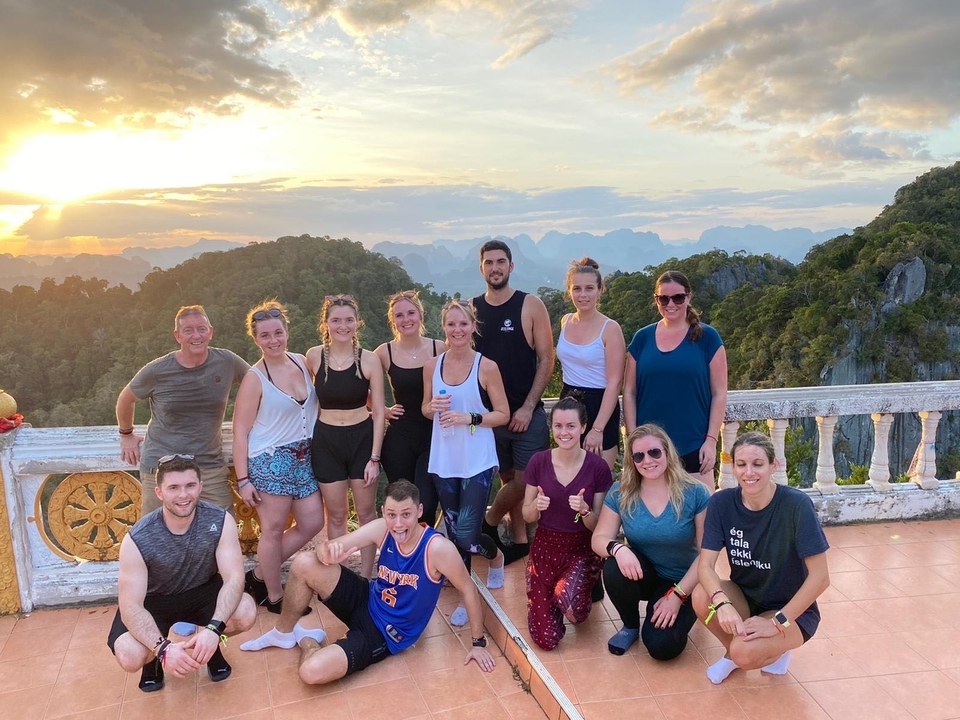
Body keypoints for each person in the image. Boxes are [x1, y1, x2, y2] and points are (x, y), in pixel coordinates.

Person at [238, 480, 497, 684]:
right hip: (368, 598)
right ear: (384, 512)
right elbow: (335, 546)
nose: (398, 524)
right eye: (392, 514)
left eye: (406, 515)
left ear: (419, 511)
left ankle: (307, 639)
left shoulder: (438, 549)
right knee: (305, 562)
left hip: (386, 632)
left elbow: (468, 590)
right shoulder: (382, 528)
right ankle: (283, 633)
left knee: (311, 672)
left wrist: (478, 643)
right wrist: (326, 552)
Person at [107, 455, 257, 692]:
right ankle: (154, 660)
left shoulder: (220, 520)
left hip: (203, 591)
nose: (183, 495)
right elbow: (130, 606)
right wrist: (163, 649)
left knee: (246, 612)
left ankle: (209, 645)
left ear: (200, 486)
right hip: (154, 601)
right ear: (159, 492)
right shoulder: (138, 538)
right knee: (129, 655)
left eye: (190, 486)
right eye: (173, 488)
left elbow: (234, 578)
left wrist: (214, 629)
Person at [693, 431, 830, 684]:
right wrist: (722, 603)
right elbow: (706, 566)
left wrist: (778, 622)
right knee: (702, 594)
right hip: (746, 598)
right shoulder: (722, 503)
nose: (749, 473)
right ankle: (734, 653)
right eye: (741, 464)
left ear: (773, 466)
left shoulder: (796, 505)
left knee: (744, 652)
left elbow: (821, 578)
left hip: (791, 611)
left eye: (758, 464)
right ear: (732, 467)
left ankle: (769, 648)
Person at [232, 301, 324, 613]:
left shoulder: (302, 362)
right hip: (270, 461)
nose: (273, 340)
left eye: (278, 333)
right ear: (256, 339)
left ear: (287, 332)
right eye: (265, 335)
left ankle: (258, 574)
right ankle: (274, 596)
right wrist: (243, 480)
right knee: (271, 530)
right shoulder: (255, 377)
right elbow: (241, 430)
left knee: (312, 522)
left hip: (305, 457)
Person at [591, 424, 710, 659]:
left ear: (667, 453)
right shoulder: (621, 492)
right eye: (639, 455)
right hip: (645, 574)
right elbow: (599, 538)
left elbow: (707, 555)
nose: (647, 460)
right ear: (632, 460)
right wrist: (617, 548)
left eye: (654, 452)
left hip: (684, 580)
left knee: (661, 647)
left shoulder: (696, 492)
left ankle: (680, 612)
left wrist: (677, 596)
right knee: (614, 565)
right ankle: (630, 626)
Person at [424, 299, 510, 625]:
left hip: (477, 460)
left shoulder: (486, 367)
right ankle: (466, 596)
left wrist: (469, 417)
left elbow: (502, 414)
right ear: (443, 328)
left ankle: (497, 556)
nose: (457, 330)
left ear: (473, 326)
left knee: (468, 537)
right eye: (451, 324)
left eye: (463, 324)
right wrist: (431, 407)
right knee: (455, 535)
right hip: (444, 459)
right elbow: (424, 409)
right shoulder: (432, 367)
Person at [117, 305, 249, 513]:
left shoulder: (226, 361)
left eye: (201, 329)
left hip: (207, 464)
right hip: (161, 465)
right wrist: (126, 434)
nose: (196, 335)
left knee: (223, 529)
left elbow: (257, 385)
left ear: (210, 332)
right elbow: (126, 399)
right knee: (156, 535)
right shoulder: (158, 370)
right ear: (177, 336)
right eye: (188, 330)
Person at [472, 240, 555, 563]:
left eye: (501, 262)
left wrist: (527, 406)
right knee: (509, 480)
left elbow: (546, 359)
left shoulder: (530, 305)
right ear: (482, 268)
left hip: (525, 413)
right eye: (489, 262)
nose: (495, 268)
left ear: (511, 266)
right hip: (489, 417)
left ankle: (489, 523)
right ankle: (520, 543)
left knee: (527, 480)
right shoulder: (472, 309)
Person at [521, 395, 612, 650]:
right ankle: (547, 596)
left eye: (570, 426)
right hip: (544, 550)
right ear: (552, 428)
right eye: (558, 426)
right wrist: (536, 508)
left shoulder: (598, 467)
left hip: (581, 550)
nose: (564, 432)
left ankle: (582, 587)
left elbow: (599, 526)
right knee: (547, 640)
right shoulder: (538, 462)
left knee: (573, 608)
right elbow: (526, 515)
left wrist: (584, 511)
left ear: (583, 427)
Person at [623, 270, 727, 490]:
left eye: (678, 297)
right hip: (649, 452)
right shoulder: (642, 338)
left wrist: (711, 441)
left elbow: (719, 393)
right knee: (653, 520)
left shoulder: (708, 338)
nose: (671, 304)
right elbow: (630, 392)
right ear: (656, 300)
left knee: (701, 519)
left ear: (688, 297)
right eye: (664, 298)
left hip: (694, 446)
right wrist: (633, 442)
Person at [306, 294, 386, 579]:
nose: (343, 326)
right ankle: (341, 579)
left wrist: (374, 457)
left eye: (349, 320)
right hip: (326, 441)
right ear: (325, 324)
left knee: (366, 514)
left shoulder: (369, 360)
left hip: (361, 440)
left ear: (357, 322)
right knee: (336, 516)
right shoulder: (314, 357)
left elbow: (378, 411)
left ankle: (366, 576)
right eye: (336, 320)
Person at [374, 290, 445, 525]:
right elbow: (359, 384)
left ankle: (426, 556)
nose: (406, 320)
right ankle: (404, 557)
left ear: (420, 315)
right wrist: (382, 410)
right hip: (399, 439)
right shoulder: (385, 352)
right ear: (393, 320)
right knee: (402, 506)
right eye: (399, 315)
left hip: (433, 436)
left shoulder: (439, 349)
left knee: (427, 504)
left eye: (411, 313)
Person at [555, 258, 625, 470]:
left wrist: (597, 429)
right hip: (568, 404)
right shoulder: (565, 321)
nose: (582, 295)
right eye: (577, 289)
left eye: (589, 288)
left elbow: (614, 383)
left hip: (599, 405)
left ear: (599, 290)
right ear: (569, 291)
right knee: (568, 479)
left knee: (596, 482)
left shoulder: (610, 329)